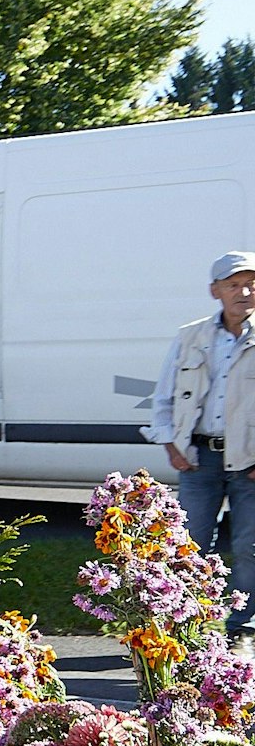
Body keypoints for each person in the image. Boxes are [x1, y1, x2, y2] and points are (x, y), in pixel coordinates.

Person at [145, 251, 255, 613]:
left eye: (251, 284)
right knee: (187, 544)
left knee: (248, 546)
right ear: (215, 291)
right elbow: (164, 394)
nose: (245, 292)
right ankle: (186, 625)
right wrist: (170, 444)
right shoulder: (191, 336)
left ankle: (244, 626)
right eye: (234, 285)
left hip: (251, 461)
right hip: (198, 458)